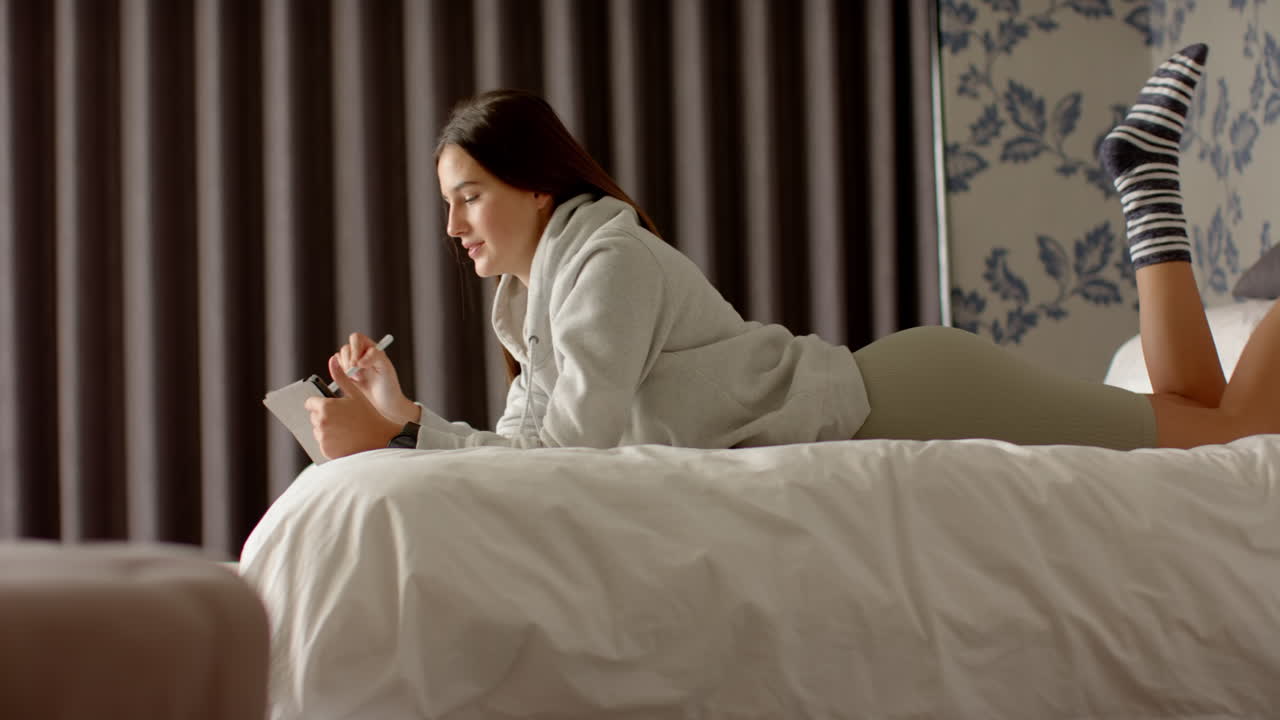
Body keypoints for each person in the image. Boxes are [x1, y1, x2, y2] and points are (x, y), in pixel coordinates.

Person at [305, 43, 1280, 459]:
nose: (453, 227)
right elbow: (526, 449)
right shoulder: (542, 298)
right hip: (896, 394)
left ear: (533, 181)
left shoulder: (600, 263)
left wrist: (400, 436)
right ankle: (1142, 175)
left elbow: (573, 454)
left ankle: (1150, 179)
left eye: (467, 195)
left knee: (1229, 436)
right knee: (1195, 430)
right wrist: (405, 423)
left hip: (908, 398)